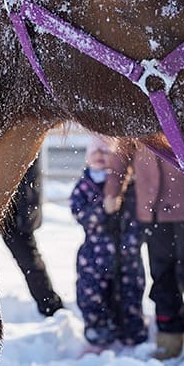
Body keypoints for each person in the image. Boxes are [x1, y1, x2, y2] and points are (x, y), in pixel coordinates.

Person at [105, 143, 184, 364]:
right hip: (152, 209)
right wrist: (113, 189)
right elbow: (122, 151)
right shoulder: (139, 114)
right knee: (161, 273)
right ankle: (168, 337)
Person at [69, 136, 148, 352]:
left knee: (129, 294)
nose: (99, 156)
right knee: (92, 295)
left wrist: (132, 241)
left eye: (105, 152)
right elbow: (79, 213)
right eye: (94, 152)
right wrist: (102, 208)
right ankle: (98, 334)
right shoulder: (85, 186)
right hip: (94, 255)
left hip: (126, 254)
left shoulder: (127, 186)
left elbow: (137, 219)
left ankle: (132, 334)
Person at [1, 159, 63, 317]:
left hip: (15, 212)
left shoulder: (24, 139)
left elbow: (31, 176)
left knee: (29, 260)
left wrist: (28, 212)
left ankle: (51, 306)